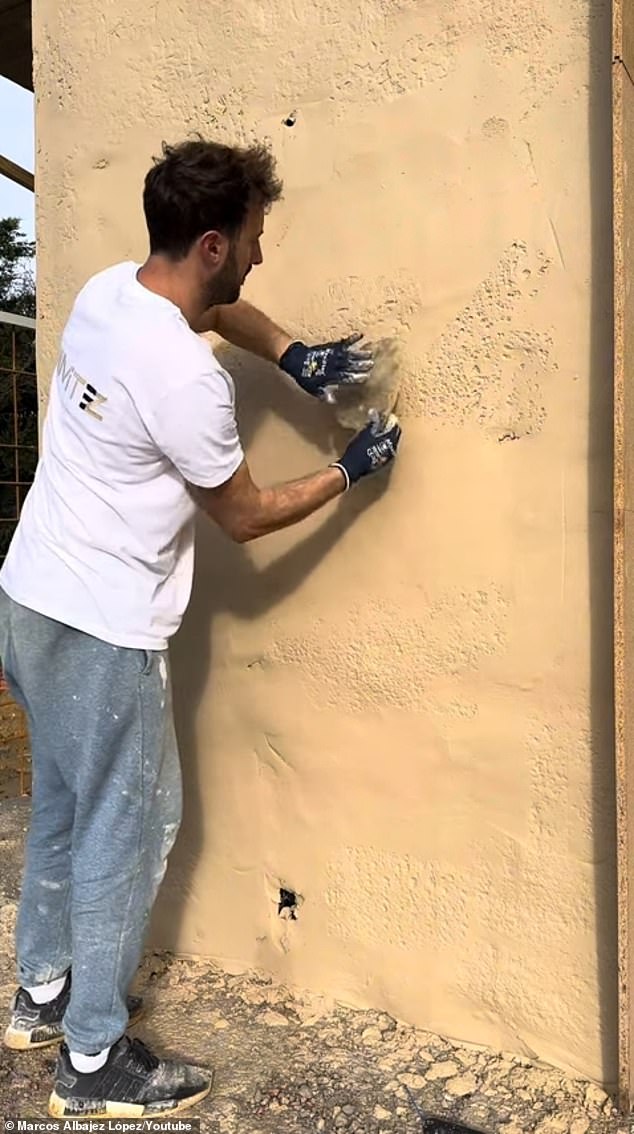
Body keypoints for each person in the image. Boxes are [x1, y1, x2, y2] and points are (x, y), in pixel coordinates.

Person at [0, 138, 402, 1119]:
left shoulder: (110, 294)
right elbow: (247, 513)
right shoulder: (186, 382)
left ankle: (41, 993)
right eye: (256, 240)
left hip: (27, 599)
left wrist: (293, 354)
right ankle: (92, 1063)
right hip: (101, 630)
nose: (263, 257)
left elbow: (214, 312)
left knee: (60, 798)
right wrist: (347, 472)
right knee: (131, 826)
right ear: (216, 242)